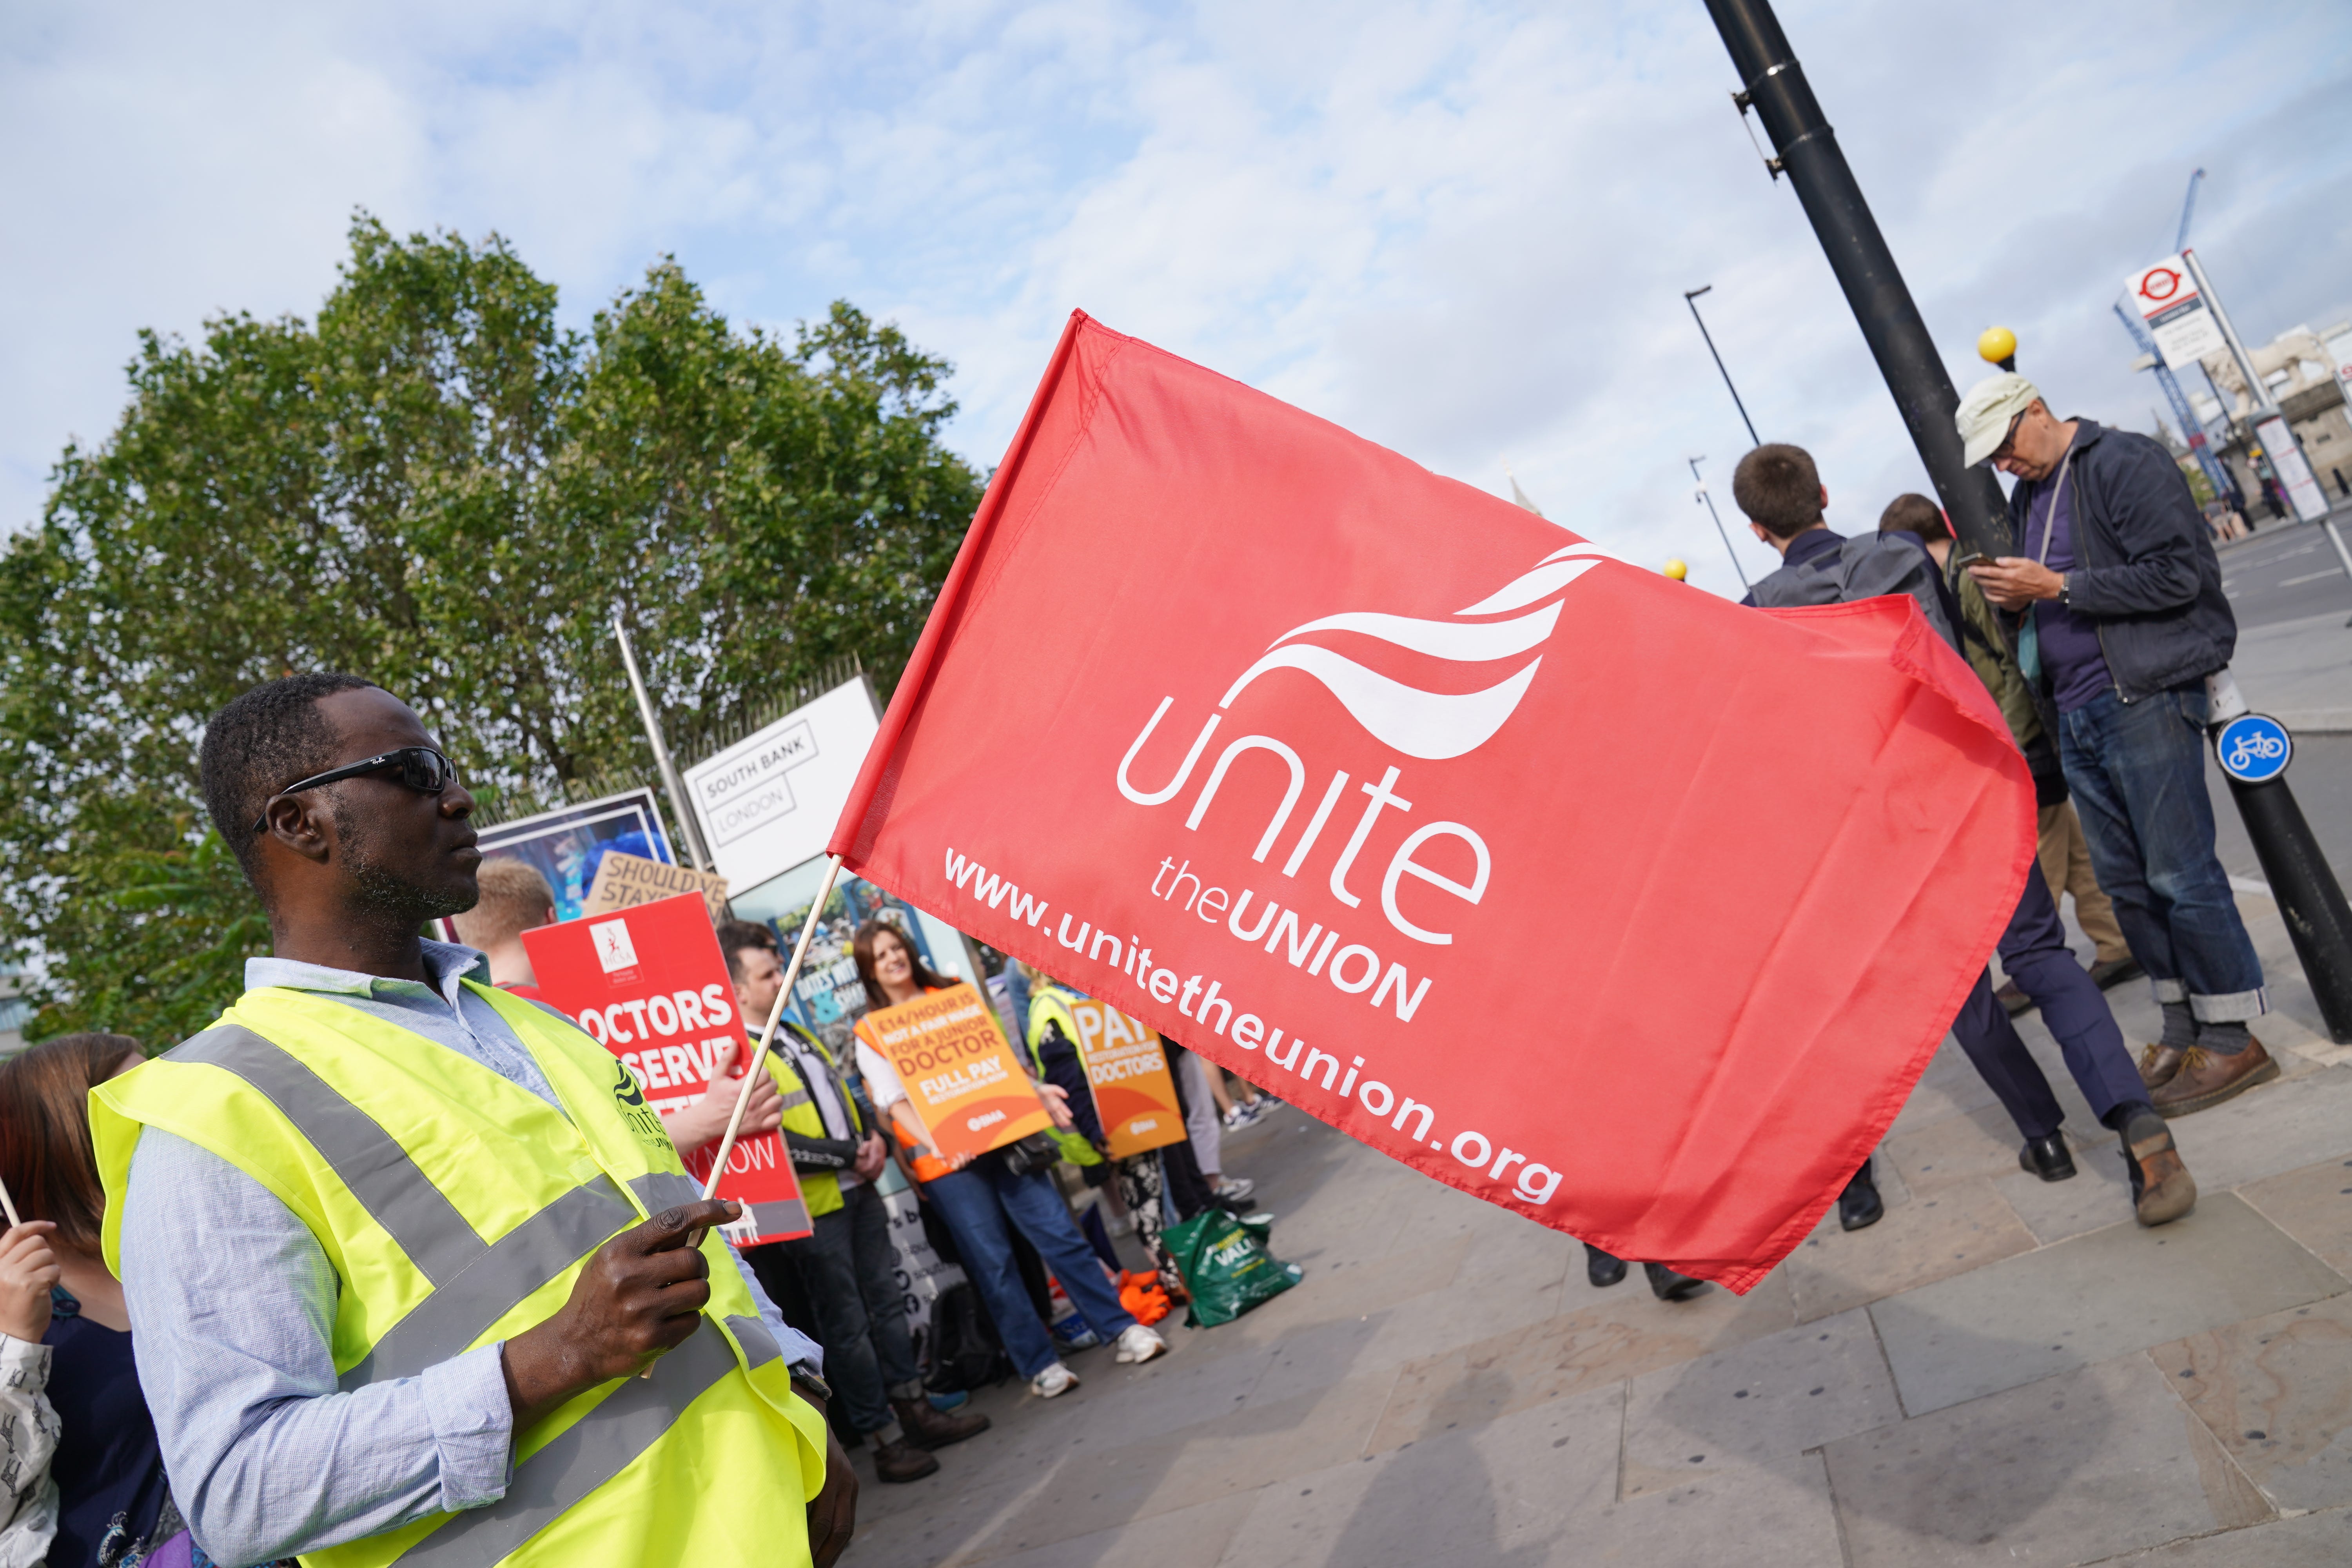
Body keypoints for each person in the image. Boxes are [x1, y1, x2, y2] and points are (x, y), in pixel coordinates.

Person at [94, 673, 855, 1567]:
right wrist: (548, 1359)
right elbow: (239, 1491)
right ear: (299, 822)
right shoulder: (212, 1115)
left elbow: (691, 1239)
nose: (458, 797)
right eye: (415, 773)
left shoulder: (537, 1025)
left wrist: (800, 1389)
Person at [1736, 445, 2195, 1228]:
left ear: (1755, 528)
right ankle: (2134, 1118)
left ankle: (2044, 1137)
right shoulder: (1901, 553)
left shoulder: (1757, 612)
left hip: (1886, 824)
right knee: (2042, 955)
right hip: (1971, 781)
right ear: (1823, 493)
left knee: (1956, 987)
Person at [1957, 375, 2276, 1117]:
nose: (2004, 463)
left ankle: (2233, 1038)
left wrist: (2057, 588)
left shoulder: (2124, 461)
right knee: (2127, 885)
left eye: (2006, 444)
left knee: (2179, 874)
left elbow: (2179, 575)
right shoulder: (2031, 493)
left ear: (2037, 411)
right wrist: (2020, 600)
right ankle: (2183, 1027)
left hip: (2144, 695)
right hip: (2077, 710)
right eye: (1993, 457)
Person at [716, 920, 989, 1483]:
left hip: (856, 1193)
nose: (781, 979)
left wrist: (873, 1138)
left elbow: (844, 1093)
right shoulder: (741, 1051)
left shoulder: (794, 1032)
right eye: (767, 975)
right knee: (848, 1326)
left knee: (886, 1307)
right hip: (816, 1210)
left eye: (778, 967)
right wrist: (850, 1154)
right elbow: (770, 1138)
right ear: (738, 988)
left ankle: (914, 1409)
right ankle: (883, 1437)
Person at [850, 920, 1166, 1397]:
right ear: (869, 971)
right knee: (993, 1263)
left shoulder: (953, 994)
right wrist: (940, 1143)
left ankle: (1121, 1328)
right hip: (949, 1164)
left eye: (896, 947)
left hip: (1006, 1136)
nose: (893, 958)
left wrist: (1037, 1091)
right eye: (880, 955)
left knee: (1061, 1236)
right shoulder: (871, 1031)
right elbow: (894, 1103)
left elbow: (1000, 1061)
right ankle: (1040, 1365)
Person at [1876, 494, 2142, 1006]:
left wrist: (2013, 742)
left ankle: (2037, 959)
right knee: (2069, 846)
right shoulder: (1957, 576)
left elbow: (2008, 660)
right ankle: (2116, 943)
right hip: (2026, 733)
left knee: (2033, 855)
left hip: (2023, 736)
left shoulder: (1969, 580)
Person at [0, 1034, 195, 1568]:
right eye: (134, 1099)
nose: (168, 1115)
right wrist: (17, 1343)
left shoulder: (186, 1241)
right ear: (64, 1137)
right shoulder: (13, 1295)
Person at [454, 856, 786, 1161]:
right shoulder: (551, 1012)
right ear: (551, 918)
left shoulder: (466, 1028)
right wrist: (709, 1118)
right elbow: (600, 1145)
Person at [1024, 972, 1216, 1298]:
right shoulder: (1049, 1005)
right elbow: (1067, 1078)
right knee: (1148, 1206)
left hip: (1142, 1109)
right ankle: (1178, 1281)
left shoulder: (1084, 989)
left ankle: (1191, 1272)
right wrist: (1096, 1131)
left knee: (1161, 1197)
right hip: (1113, 1123)